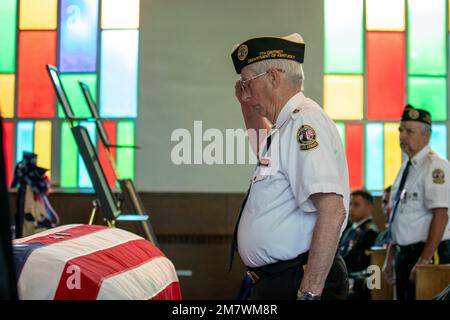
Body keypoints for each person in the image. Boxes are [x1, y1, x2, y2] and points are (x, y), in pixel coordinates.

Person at [229, 33, 350, 300]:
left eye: (247, 83)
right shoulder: (284, 127)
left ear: (274, 77)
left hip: (298, 279)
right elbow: (263, 151)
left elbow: (332, 210)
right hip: (280, 278)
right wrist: (246, 105)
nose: (245, 93)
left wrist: (309, 293)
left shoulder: (304, 124)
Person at [382, 105, 450, 300]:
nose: (402, 136)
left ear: (426, 136)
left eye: (409, 131)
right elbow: (397, 216)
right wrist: (390, 258)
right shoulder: (406, 168)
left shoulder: (436, 166)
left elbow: (441, 215)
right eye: (400, 130)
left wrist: (424, 259)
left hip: (427, 253)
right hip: (404, 254)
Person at [339, 190, 379, 300]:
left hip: (356, 284)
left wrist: (348, 280)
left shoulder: (370, 233)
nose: (351, 208)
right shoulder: (350, 230)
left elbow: (366, 266)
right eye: (350, 204)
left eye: (356, 205)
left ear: (369, 207)